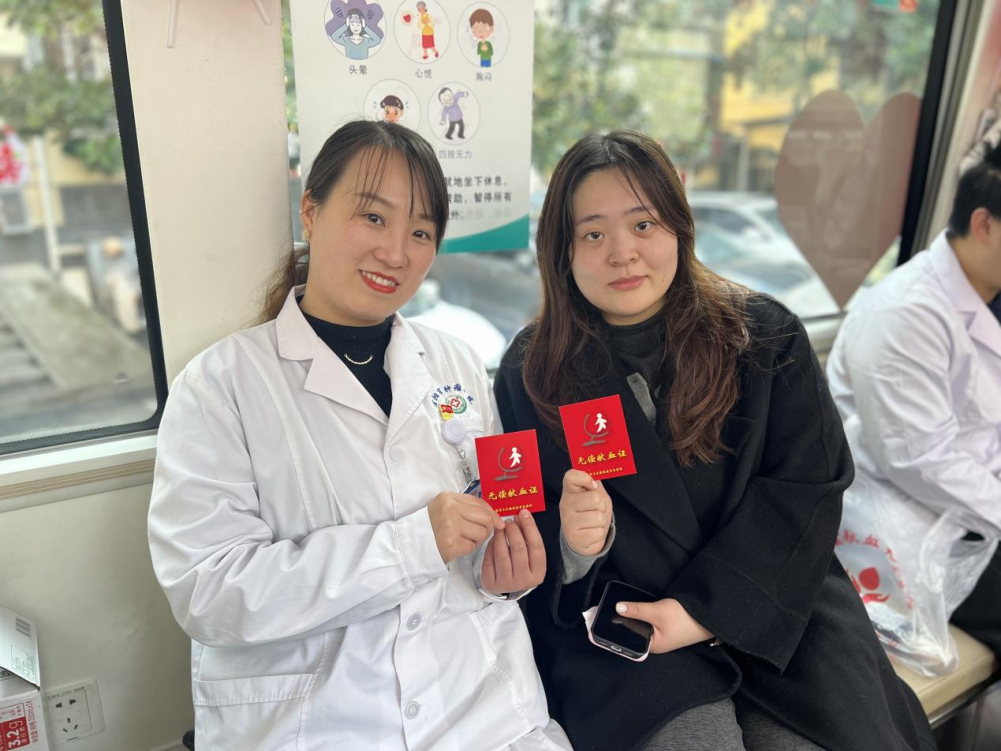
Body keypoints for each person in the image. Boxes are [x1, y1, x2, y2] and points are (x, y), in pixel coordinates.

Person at [493, 130, 936, 751]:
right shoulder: (530, 370)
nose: (623, 252)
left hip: (774, 603)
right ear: (561, 251)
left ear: (679, 226)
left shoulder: (765, 336)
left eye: (643, 224)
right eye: (593, 234)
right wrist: (574, 546)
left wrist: (703, 612)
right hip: (625, 627)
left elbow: (806, 489)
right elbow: (519, 532)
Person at [148, 120, 571, 751]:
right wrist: (412, 545)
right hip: (318, 724)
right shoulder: (220, 385)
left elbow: (491, 526)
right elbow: (208, 593)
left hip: (484, 709)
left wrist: (506, 570)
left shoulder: (458, 363)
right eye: (373, 217)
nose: (396, 253)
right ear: (311, 212)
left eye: (421, 232)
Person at [827, 139, 1001, 654]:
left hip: (974, 505)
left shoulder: (988, 293)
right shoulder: (905, 313)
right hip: (921, 529)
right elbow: (920, 459)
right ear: (985, 225)